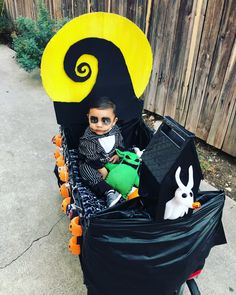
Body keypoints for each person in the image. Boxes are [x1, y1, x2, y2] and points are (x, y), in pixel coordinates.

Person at [78, 97, 124, 207]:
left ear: (114, 122)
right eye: (94, 119)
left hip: (110, 159)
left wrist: (118, 154)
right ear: (88, 117)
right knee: (85, 170)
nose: (99, 124)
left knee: (126, 163)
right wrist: (102, 169)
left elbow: (120, 142)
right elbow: (91, 157)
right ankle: (108, 192)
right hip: (92, 162)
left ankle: (128, 185)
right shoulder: (87, 139)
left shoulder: (115, 130)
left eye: (105, 120)